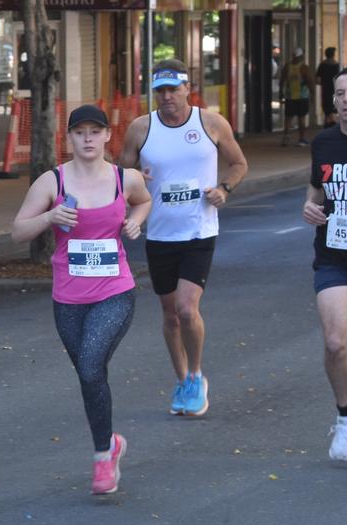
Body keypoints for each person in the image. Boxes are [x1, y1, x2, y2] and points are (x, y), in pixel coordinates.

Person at [12, 105, 152, 494]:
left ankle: (100, 459)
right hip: (68, 298)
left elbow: (143, 200)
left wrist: (136, 221)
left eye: (96, 131)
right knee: (90, 376)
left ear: (109, 136)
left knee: (91, 364)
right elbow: (18, 232)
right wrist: (50, 218)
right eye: (80, 132)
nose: (88, 139)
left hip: (115, 291)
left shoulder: (126, 178)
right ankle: (110, 443)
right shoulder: (51, 181)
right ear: (69, 138)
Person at [119, 58, 247, 417]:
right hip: (160, 233)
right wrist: (134, 178)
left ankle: (195, 375)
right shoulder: (141, 129)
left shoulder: (210, 123)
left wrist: (224, 188)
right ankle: (181, 378)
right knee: (170, 315)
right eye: (160, 91)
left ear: (188, 89)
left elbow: (239, 164)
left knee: (188, 309)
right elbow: (121, 171)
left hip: (198, 230)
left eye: (173, 89)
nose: (167, 97)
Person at [300, 68, 347, 461]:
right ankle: (346, 418)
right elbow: (316, 190)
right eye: (341, 94)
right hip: (335, 256)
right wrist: (310, 207)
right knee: (335, 343)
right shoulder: (324, 143)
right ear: (333, 101)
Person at [283, 47, 317, 146]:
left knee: (288, 118)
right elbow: (310, 82)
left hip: (290, 97)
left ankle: (286, 137)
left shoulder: (287, 67)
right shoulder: (304, 67)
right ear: (301, 56)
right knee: (301, 118)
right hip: (302, 97)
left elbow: (282, 80)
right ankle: (301, 139)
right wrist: (313, 94)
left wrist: (281, 92)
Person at [317, 47, 341, 128]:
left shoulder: (322, 65)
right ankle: (333, 126)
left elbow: (317, 79)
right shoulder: (338, 65)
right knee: (334, 110)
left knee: (327, 111)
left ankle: (327, 125)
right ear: (333, 55)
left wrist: (323, 83)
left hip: (325, 91)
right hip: (335, 91)